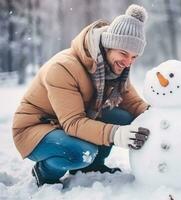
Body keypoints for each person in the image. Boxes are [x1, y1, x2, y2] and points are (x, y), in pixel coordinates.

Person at [12, 4, 151, 187]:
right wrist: (115, 134)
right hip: (37, 127)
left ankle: (91, 167)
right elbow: (73, 123)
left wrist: (157, 115)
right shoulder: (63, 68)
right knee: (81, 153)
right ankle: (45, 173)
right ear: (108, 46)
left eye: (133, 57)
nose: (127, 63)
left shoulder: (114, 69)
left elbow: (133, 103)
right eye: (124, 53)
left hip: (69, 121)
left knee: (123, 117)